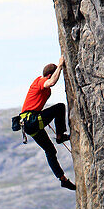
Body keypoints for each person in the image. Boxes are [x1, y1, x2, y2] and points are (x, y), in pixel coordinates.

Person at [20, 57, 76, 190]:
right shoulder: (40, 81)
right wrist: (60, 66)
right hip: (31, 120)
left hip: (30, 125)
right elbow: (50, 83)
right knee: (59, 107)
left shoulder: (42, 85)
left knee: (50, 150)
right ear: (49, 75)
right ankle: (60, 136)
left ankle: (62, 179)